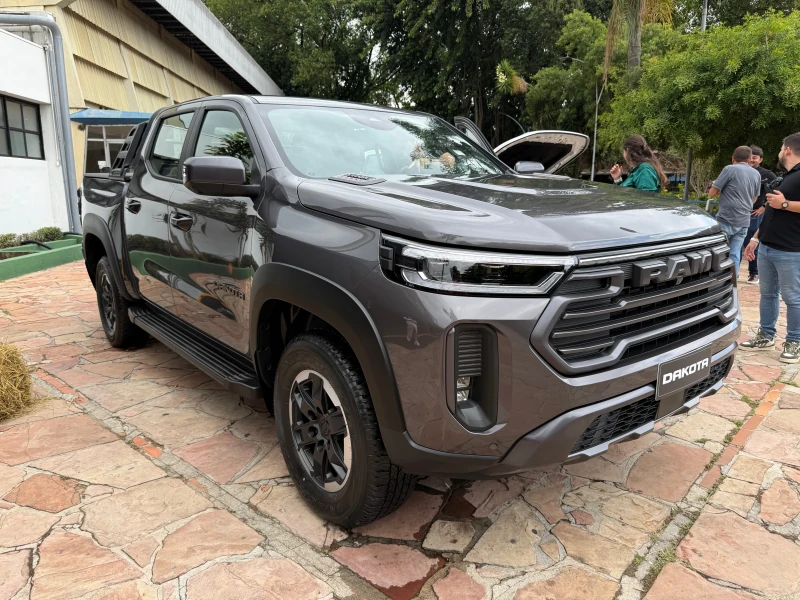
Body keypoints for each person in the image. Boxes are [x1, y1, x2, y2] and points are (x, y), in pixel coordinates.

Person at [742, 133, 800, 363]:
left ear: (788, 150)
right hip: (766, 246)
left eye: (781, 147)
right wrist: (756, 238)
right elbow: (771, 212)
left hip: (790, 249)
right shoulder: (787, 176)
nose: (779, 152)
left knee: (793, 298)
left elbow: (780, 206)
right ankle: (766, 335)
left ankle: (794, 341)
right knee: (767, 294)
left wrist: (784, 203)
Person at [708, 146, 761, 272]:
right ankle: (733, 280)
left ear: (733, 158)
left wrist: (714, 186)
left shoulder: (729, 169)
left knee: (719, 254)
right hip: (744, 220)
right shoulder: (756, 174)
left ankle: (719, 280)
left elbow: (712, 192)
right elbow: (754, 199)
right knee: (735, 253)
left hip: (726, 218)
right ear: (749, 159)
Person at [741, 146, 777, 284]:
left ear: (760, 159)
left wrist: (763, 207)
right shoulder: (740, 171)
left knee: (752, 242)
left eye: (755, 157)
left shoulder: (768, 175)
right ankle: (734, 272)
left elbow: (776, 192)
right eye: (750, 157)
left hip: (755, 214)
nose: (751, 160)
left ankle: (754, 273)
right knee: (739, 243)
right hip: (739, 212)